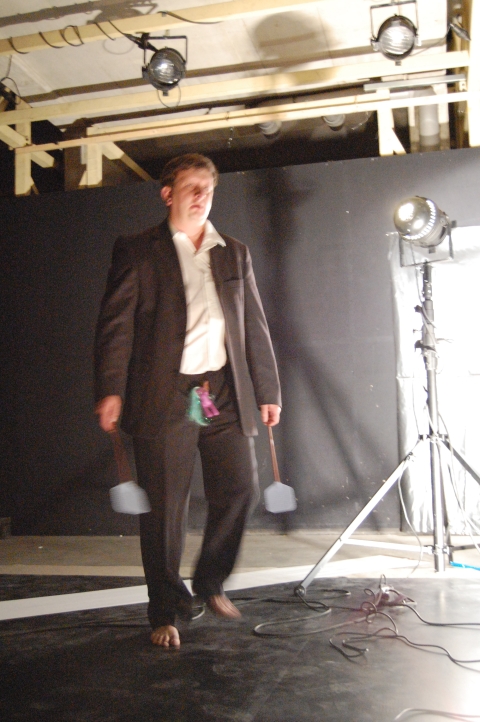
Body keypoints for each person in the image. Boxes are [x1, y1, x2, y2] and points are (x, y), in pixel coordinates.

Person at [94, 153, 281, 648]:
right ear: (168, 194)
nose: (201, 196)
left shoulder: (233, 251)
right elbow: (116, 326)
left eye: (208, 188)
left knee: (240, 487)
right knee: (164, 509)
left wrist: (267, 391)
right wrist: (111, 389)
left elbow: (254, 326)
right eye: (191, 187)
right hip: (165, 392)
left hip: (222, 392)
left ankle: (210, 580)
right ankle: (166, 610)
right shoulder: (138, 250)